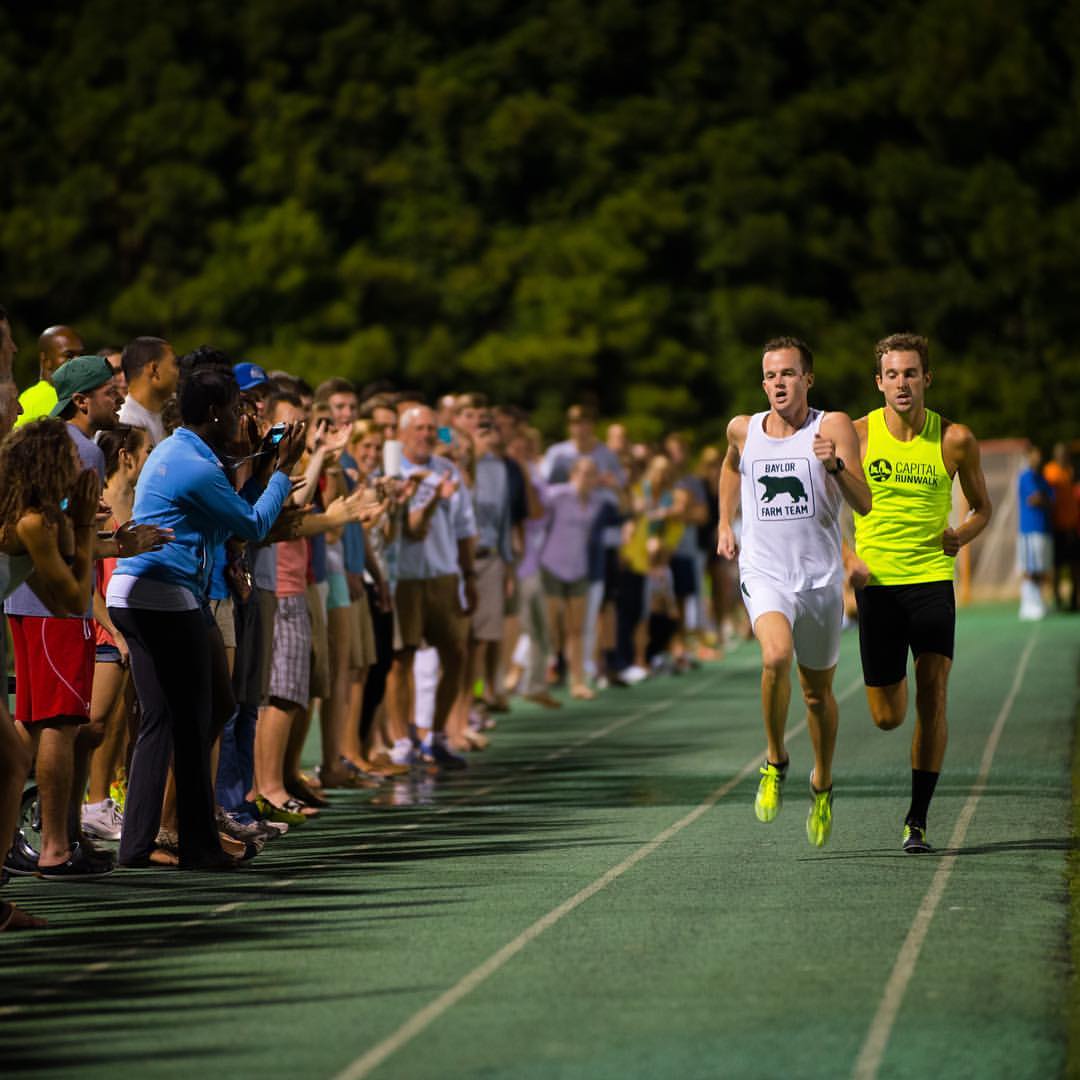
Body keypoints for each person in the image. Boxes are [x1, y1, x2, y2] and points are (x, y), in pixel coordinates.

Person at [106, 367, 304, 869]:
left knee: (182, 715)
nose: (246, 416)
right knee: (196, 715)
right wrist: (283, 472)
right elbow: (253, 524)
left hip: (139, 594)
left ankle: (140, 843)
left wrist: (260, 469)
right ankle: (195, 842)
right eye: (239, 408)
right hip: (163, 597)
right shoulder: (195, 465)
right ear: (215, 413)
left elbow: (225, 520)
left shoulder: (181, 450)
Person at [718, 337, 871, 847]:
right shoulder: (744, 428)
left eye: (787, 374)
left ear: (808, 378)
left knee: (816, 694)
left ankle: (822, 782)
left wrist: (834, 466)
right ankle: (775, 759)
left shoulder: (833, 427)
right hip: (765, 573)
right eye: (769, 376)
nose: (777, 384)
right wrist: (725, 522)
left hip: (821, 580)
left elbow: (864, 502)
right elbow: (729, 464)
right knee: (774, 656)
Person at [847, 332, 991, 853]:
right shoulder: (858, 435)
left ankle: (918, 820)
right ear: (879, 382)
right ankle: (893, 694)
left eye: (911, 373)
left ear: (926, 378)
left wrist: (962, 535)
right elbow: (824, 509)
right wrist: (848, 559)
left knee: (934, 693)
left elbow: (982, 508)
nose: (902, 383)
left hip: (932, 581)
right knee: (889, 717)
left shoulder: (954, 439)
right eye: (892, 374)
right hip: (878, 587)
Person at [389, 405, 478, 769]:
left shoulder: (447, 470)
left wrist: (469, 575)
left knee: (456, 654)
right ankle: (402, 739)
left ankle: (438, 733)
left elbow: (465, 529)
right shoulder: (393, 472)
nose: (426, 434)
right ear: (404, 433)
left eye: (431, 428)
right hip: (405, 577)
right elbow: (409, 528)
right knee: (403, 659)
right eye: (420, 428)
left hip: (443, 574)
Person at [14, 325, 83, 426]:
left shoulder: (26, 397)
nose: (79, 361)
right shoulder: (61, 400)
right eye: (69, 355)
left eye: (81, 355)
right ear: (46, 361)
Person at [117, 336, 180, 446]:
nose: (177, 372)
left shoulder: (167, 417)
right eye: (174, 364)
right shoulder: (124, 422)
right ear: (154, 369)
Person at [1017, 445, 1053, 621]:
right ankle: (1027, 604)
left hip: (1043, 527)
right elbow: (1035, 498)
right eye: (1035, 456)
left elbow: (1051, 498)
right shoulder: (1025, 477)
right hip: (1029, 530)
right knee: (1029, 567)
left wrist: (1044, 498)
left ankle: (1037, 601)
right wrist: (1044, 499)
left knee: (1040, 568)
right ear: (1029, 457)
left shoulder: (1042, 478)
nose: (1038, 459)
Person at [1043, 442, 1079, 611]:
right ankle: (1057, 599)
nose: (1065, 457)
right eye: (1062, 454)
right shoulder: (1050, 471)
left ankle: (1073, 599)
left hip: (1071, 526)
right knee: (1057, 566)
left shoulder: (1069, 471)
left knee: (1074, 565)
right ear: (1056, 455)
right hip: (1057, 526)